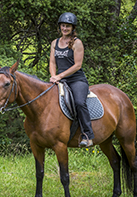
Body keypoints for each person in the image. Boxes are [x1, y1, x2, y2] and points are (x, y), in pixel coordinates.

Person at [49, 12, 93, 147]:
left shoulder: (77, 43)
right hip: (59, 80)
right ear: (59, 27)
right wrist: (53, 77)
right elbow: (52, 63)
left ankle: (87, 135)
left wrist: (60, 76)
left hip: (76, 80)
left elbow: (77, 65)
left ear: (72, 28)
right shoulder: (54, 43)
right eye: (63, 26)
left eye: (68, 26)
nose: (65, 28)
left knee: (79, 102)